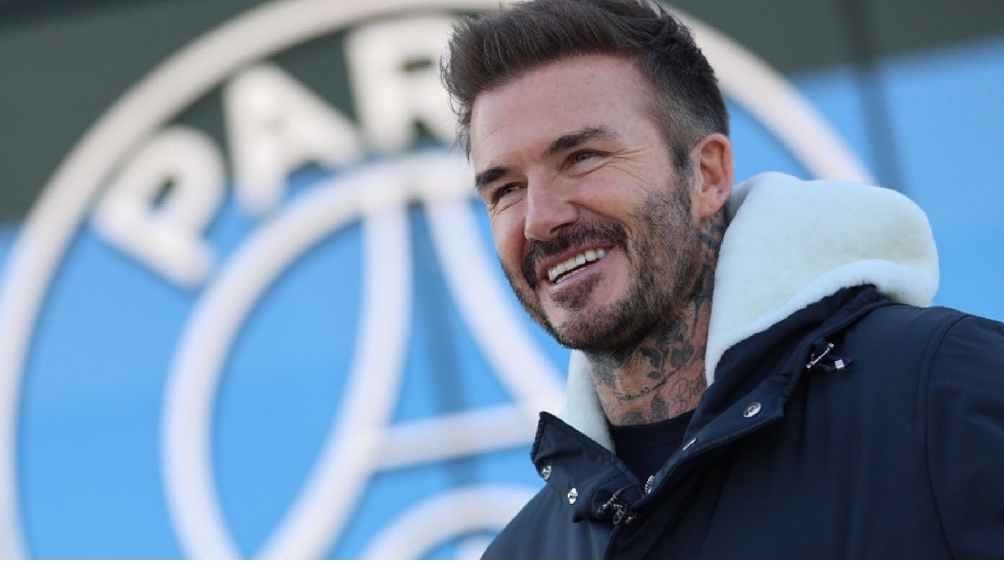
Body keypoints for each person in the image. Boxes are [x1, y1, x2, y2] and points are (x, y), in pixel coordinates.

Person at [440, 0, 1004, 559]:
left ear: (707, 175)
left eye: (582, 157)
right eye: (505, 190)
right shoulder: (523, 554)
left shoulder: (944, 391)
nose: (539, 219)